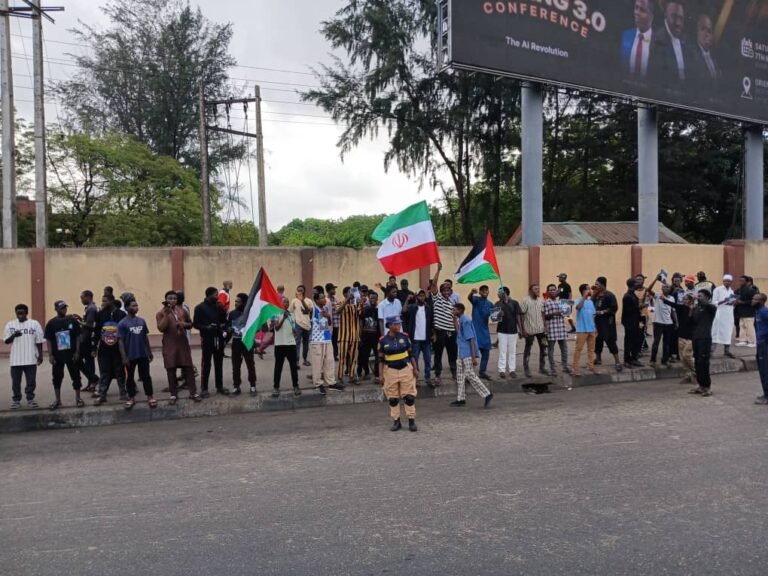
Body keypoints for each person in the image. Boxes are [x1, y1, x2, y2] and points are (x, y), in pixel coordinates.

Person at [156, 290, 200, 405]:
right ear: (166, 300)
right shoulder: (160, 313)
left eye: (174, 298)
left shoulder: (182, 311)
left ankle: (193, 393)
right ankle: (173, 394)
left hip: (182, 344)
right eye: (170, 298)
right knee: (171, 370)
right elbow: (161, 328)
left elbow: (190, 324)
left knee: (188, 368)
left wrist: (184, 324)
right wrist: (167, 314)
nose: (172, 300)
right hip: (169, 345)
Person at [378, 315, 419, 432]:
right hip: (390, 371)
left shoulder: (405, 337)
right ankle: (396, 421)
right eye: (396, 324)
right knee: (393, 399)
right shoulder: (382, 340)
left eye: (399, 324)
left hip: (406, 369)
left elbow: (411, 354)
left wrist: (415, 368)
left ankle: (411, 421)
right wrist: (380, 375)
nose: (399, 326)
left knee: (409, 397)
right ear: (390, 325)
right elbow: (380, 359)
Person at [450, 303, 493, 408]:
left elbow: (471, 339)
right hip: (461, 350)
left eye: (454, 310)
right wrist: (454, 319)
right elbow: (458, 331)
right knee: (460, 375)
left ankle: (487, 394)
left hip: (467, 352)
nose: (453, 311)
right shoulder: (461, 320)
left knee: (469, 374)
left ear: (460, 310)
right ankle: (460, 399)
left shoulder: (466, 321)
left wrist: (473, 357)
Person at [118, 299, 157, 410]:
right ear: (127, 308)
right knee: (129, 378)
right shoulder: (122, 323)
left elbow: (145, 337)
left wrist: (149, 351)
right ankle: (131, 397)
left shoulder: (141, 321)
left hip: (142, 354)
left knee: (146, 376)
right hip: (130, 356)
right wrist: (124, 357)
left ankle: (150, 396)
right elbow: (120, 341)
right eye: (133, 306)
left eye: (137, 305)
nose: (136, 307)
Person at [44, 301, 83, 410]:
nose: (64, 310)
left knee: (76, 376)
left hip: (71, 354)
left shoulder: (72, 321)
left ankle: (78, 398)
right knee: (57, 377)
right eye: (62, 308)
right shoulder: (51, 323)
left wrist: (77, 352)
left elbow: (77, 337)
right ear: (56, 309)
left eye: (65, 307)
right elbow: (49, 339)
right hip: (58, 355)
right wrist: (50, 355)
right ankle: (58, 400)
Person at [4, 304, 44, 409]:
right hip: (16, 359)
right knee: (15, 382)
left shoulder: (34, 324)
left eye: (22, 313)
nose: (20, 315)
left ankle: (30, 399)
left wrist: (40, 355)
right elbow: (6, 341)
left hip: (30, 358)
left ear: (26, 313)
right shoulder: (10, 324)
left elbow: (39, 341)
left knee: (31, 381)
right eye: (18, 313)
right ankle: (16, 400)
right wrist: (14, 335)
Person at [193, 287, 230, 398]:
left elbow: (224, 322)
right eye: (215, 294)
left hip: (218, 339)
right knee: (206, 364)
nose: (217, 297)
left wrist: (222, 310)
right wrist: (207, 327)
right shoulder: (200, 308)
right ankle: (204, 389)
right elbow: (196, 324)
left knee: (219, 363)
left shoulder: (218, 307)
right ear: (209, 295)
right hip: (207, 339)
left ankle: (219, 386)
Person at [93, 293, 128, 404]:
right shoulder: (100, 314)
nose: (103, 303)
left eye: (105, 301)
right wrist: (94, 348)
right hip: (104, 350)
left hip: (118, 349)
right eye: (102, 301)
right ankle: (102, 395)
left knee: (120, 372)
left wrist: (125, 351)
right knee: (104, 373)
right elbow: (96, 332)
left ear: (112, 301)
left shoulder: (121, 314)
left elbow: (125, 332)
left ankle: (123, 393)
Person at [649, 0, 690, 86]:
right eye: (674, 17)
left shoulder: (687, 43)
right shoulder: (654, 40)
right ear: (666, 14)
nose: (678, 23)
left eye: (681, 18)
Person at [310, 291, 343, 395]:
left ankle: (331, 382)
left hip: (327, 338)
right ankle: (318, 384)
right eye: (321, 298)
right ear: (316, 300)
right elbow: (306, 309)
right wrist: (302, 300)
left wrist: (328, 316)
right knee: (317, 363)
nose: (324, 299)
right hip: (316, 340)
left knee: (329, 361)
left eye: (324, 297)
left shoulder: (326, 308)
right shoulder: (313, 309)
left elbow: (328, 323)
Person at [688, 289, 717, 397]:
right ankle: (700, 386)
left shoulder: (711, 308)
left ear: (707, 298)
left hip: (705, 339)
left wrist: (697, 298)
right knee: (697, 363)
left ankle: (707, 387)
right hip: (696, 338)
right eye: (698, 295)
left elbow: (707, 305)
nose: (698, 297)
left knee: (703, 363)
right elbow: (690, 322)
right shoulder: (696, 308)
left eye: (700, 296)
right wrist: (691, 309)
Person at [228, 293, 257, 396]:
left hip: (247, 341)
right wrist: (228, 330)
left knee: (250, 364)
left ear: (244, 303)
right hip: (236, 342)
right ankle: (236, 386)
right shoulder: (232, 314)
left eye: (238, 301)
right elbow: (228, 327)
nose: (236, 303)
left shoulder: (250, 314)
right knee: (235, 366)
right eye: (235, 301)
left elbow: (257, 327)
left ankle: (253, 386)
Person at [271, 296, 300, 397]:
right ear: (280, 303)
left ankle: (296, 386)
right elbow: (276, 328)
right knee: (278, 367)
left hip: (291, 344)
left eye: (287, 302)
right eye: (284, 302)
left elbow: (294, 328)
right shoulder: (275, 314)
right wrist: (283, 317)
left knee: (293, 367)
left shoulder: (292, 315)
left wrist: (295, 331)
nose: (286, 304)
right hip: (280, 344)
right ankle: (276, 387)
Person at [403, 289, 433, 387]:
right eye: (420, 296)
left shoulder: (428, 308)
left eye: (423, 296)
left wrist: (433, 334)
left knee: (428, 359)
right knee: (414, 359)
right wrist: (407, 300)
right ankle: (416, 378)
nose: (422, 297)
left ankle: (428, 377)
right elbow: (404, 311)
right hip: (415, 339)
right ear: (417, 297)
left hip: (426, 339)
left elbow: (431, 322)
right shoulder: (412, 307)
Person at [430, 278, 458, 381]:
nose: (446, 292)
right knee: (438, 354)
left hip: (451, 332)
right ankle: (437, 375)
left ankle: (454, 372)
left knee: (453, 353)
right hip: (440, 331)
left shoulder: (452, 303)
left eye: (448, 290)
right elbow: (433, 284)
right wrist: (438, 270)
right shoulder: (437, 299)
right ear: (441, 291)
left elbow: (454, 318)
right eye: (444, 290)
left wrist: (457, 331)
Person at [594, 277, 623, 372]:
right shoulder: (595, 295)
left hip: (607, 323)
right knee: (598, 340)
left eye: (597, 284)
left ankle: (617, 362)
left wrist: (602, 312)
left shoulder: (610, 295)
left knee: (610, 341)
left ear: (603, 285)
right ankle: (598, 359)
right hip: (597, 322)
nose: (595, 286)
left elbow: (614, 308)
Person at [520, 284, 548, 378]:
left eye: (538, 289)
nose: (538, 290)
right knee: (528, 349)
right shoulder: (525, 301)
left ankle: (542, 367)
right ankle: (526, 369)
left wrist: (545, 326)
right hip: (529, 330)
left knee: (544, 348)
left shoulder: (541, 301)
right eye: (535, 289)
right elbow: (522, 316)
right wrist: (523, 330)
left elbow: (543, 314)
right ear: (530, 291)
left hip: (541, 330)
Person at [621, 0, 654, 77]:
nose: (637, 13)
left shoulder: (658, 40)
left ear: (651, 17)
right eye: (636, 8)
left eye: (642, 10)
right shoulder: (625, 35)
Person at [75, 290, 99, 391]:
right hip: (86, 338)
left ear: (88, 297)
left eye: (82, 298)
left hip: (87, 339)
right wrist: (81, 319)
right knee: (88, 362)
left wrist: (78, 322)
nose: (81, 300)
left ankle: (94, 380)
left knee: (79, 360)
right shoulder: (89, 308)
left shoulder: (91, 309)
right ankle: (91, 382)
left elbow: (90, 325)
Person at [495, 286, 521, 379]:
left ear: (505, 293)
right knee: (502, 351)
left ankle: (512, 370)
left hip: (513, 330)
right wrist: (498, 315)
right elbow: (494, 318)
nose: (498, 294)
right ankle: (501, 370)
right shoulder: (497, 304)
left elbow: (518, 317)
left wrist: (520, 329)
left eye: (500, 292)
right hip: (502, 330)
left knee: (512, 351)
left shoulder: (514, 303)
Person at [337, 286, 361, 384]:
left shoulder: (356, 304)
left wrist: (361, 303)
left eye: (352, 293)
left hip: (355, 336)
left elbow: (361, 314)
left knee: (354, 358)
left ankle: (352, 376)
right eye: (349, 292)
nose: (351, 294)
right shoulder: (340, 303)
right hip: (344, 336)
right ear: (344, 294)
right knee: (342, 357)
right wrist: (347, 300)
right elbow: (337, 311)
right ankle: (340, 376)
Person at [572, 284, 598, 377]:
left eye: (590, 289)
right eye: (588, 289)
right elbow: (578, 307)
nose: (590, 290)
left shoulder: (590, 302)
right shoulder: (578, 300)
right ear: (583, 291)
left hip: (591, 329)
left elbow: (593, 315)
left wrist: (595, 327)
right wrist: (584, 297)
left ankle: (591, 366)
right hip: (582, 329)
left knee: (591, 349)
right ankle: (575, 368)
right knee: (578, 349)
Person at [544, 284, 570, 375]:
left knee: (564, 349)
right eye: (550, 290)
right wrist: (556, 313)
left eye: (554, 289)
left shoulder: (562, 302)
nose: (552, 291)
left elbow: (567, 314)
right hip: (552, 329)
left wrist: (568, 307)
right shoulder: (546, 302)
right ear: (547, 292)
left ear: (557, 291)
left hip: (561, 328)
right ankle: (553, 369)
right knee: (551, 350)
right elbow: (545, 316)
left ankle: (565, 366)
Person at [469, 285, 494, 379]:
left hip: (485, 331)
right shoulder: (476, 300)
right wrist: (471, 292)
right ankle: (468, 373)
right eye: (482, 290)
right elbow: (470, 298)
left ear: (488, 292)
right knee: (472, 353)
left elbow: (495, 318)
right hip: (475, 331)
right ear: (479, 292)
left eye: (486, 290)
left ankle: (482, 372)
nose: (484, 292)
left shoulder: (490, 304)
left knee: (486, 352)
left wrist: (500, 312)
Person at [649, 283, 677, 367]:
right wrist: (656, 279)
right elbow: (649, 290)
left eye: (667, 287)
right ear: (661, 289)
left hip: (668, 323)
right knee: (656, 342)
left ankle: (665, 360)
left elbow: (673, 311)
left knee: (667, 343)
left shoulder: (672, 298)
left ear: (670, 289)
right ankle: (653, 360)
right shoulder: (658, 296)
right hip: (658, 322)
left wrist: (676, 322)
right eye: (664, 287)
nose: (665, 288)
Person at [689, 14, 720, 89]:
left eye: (709, 31)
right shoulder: (691, 56)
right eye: (703, 29)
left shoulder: (715, 58)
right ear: (697, 32)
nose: (707, 34)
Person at [675, 292, 697, 385]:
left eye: (686, 299)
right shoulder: (681, 308)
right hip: (681, 336)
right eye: (684, 299)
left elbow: (691, 321)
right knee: (682, 358)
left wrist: (691, 310)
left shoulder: (696, 309)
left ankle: (696, 372)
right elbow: (672, 304)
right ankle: (688, 375)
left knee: (687, 355)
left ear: (691, 300)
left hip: (690, 337)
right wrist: (663, 299)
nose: (684, 301)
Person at [711, 274, 736, 358]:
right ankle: (711, 351)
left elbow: (731, 303)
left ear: (731, 282)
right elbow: (714, 303)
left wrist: (734, 302)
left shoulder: (731, 291)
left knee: (728, 332)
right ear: (723, 281)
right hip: (720, 314)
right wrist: (723, 301)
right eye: (725, 281)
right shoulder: (717, 289)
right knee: (716, 333)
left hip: (729, 314)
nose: (727, 282)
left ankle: (727, 351)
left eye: (728, 281)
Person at [357, 291, 380, 382]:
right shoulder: (365, 309)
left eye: (374, 298)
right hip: (365, 336)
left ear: (377, 299)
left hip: (376, 336)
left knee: (378, 355)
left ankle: (377, 373)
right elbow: (360, 320)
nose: (372, 299)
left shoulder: (379, 309)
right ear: (368, 299)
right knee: (364, 355)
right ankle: (366, 372)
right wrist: (360, 335)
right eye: (371, 298)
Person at [621, 278, 644, 368]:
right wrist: (639, 307)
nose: (638, 284)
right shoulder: (627, 296)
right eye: (636, 283)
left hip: (635, 321)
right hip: (629, 322)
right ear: (632, 285)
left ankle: (634, 358)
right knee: (628, 341)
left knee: (635, 340)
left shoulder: (633, 295)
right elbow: (628, 310)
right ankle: (627, 360)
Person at [289, 285, 313, 367]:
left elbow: (308, 310)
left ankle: (305, 359)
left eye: (301, 290)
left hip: (307, 325)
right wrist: (292, 325)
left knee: (306, 343)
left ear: (304, 291)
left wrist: (302, 300)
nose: (299, 292)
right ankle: (296, 361)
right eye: (298, 290)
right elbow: (291, 312)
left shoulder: (308, 301)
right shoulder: (294, 301)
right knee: (297, 343)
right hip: (297, 324)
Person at [752, 293, 768, 405]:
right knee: (762, 370)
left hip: (764, 345)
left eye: (755, 299)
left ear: (761, 301)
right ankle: (765, 393)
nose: (752, 301)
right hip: (760, 344)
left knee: (765, 371)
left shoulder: (764, 312)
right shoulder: (757, 311)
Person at [735, 276, 758, 347]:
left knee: (749, 327)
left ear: (747, 282)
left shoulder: (752, 291)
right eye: (740, 280)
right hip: (741, 312)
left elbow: (753, 301)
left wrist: (742, 302)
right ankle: (743, 340)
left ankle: (752, 341)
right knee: (742, 326)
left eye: (742, 281)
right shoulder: (739, 290)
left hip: (749, 312)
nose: (740, 282)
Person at [325, 283, 340, 361]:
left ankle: (335, 355)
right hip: (328, 323)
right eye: (333, 289)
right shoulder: (325, 300)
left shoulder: (335, 299)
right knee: (328, 340)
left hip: (336, 323)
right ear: (328, 291)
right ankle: (328, 355)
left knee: (335, 340)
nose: (334, 291)